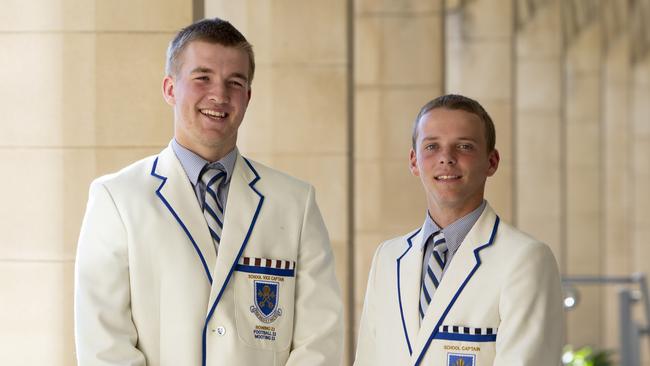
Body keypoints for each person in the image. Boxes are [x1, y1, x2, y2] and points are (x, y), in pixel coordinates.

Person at [74, 18, 343, 366]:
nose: (219, 94)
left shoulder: (296, 203)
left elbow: (321, 340)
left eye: (235, 82)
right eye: (202, 78)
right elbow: (103, 344)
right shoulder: (118, 199)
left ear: (248, 96)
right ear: (170, 89)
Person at [354, 94, 563, 366]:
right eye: (431, 146)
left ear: (492, 162)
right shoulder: (388, 257)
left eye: (464, 146)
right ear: (414, 161)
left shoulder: (525, 260)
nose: (446, 158)